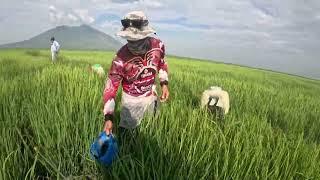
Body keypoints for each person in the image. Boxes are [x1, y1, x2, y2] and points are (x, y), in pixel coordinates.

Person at [102, 11, 169, 135]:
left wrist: (164, 84)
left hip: (151, 95)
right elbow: (110, 88)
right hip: (131, 101)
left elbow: (161, 63)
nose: (134, 44)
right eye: (130, 40)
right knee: (129, 135)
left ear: (146, 35)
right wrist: (108, 117)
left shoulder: (158, 46)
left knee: (153, 128)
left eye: (137, 40)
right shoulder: (120, 59)